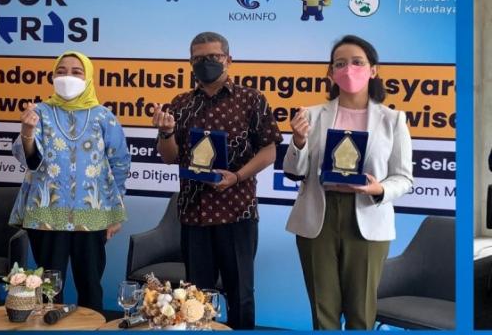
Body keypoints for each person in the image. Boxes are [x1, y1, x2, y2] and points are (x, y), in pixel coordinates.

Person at [152, 31, 283, 329]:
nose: (206, 63)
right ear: (190, 63)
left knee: (241, 294)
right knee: (195, 297)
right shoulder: (181, 103)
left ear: (229, 60)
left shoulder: (251, 99)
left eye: (214, 56)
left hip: (237, 212)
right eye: (198, 59)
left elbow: (270, 151)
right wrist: (166, 132)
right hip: (193, 213)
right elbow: (170, 157)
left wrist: (237, 176)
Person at [283, 35, 413, 330]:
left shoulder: (393, 119)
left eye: (357, 62)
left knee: (361, 313)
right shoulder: (310, 115)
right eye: (340, 64)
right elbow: (294, 171)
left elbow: (403, 177)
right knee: (323, 313)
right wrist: (299, 141)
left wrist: (379, 189)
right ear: (331, 73)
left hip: (368, 216)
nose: (348, 69)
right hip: (317, 219)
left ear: (373, 70)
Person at [9, 50, 130, 312]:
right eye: (61, 71)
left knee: (90, 285)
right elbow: (29, 159)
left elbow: (120, 163)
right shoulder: (38, 112)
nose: (67, 77)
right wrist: (27, 131)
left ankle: (93, 328)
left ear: (88, 78)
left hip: (92, 213)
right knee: (49, 288)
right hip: (47, 213)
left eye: (76, 72)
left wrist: (115, 213)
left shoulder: (104, 116)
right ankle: (49, 328)